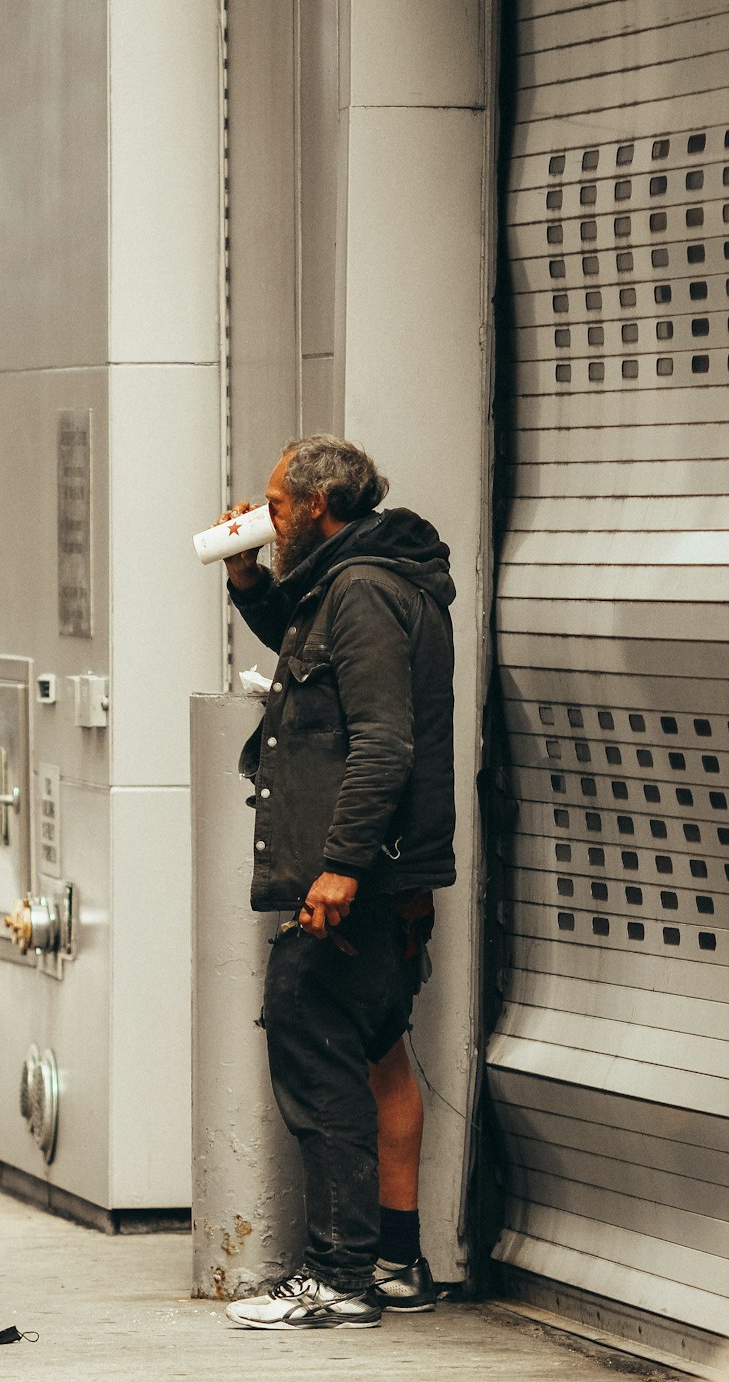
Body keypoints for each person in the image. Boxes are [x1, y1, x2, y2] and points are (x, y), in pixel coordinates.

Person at [221, 434, 455, 1331]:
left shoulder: (360, 590)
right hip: (394, 877)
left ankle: (338, 1275)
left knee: (315, 1050)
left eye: (277, 506)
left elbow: (383, 744)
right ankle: (395, 1262)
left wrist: (341, 865)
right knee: (377, 1051)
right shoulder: (370, 576)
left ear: (320, 505)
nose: (268, 518)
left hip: (363, 876)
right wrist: (248, 581)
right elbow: (301, 641)